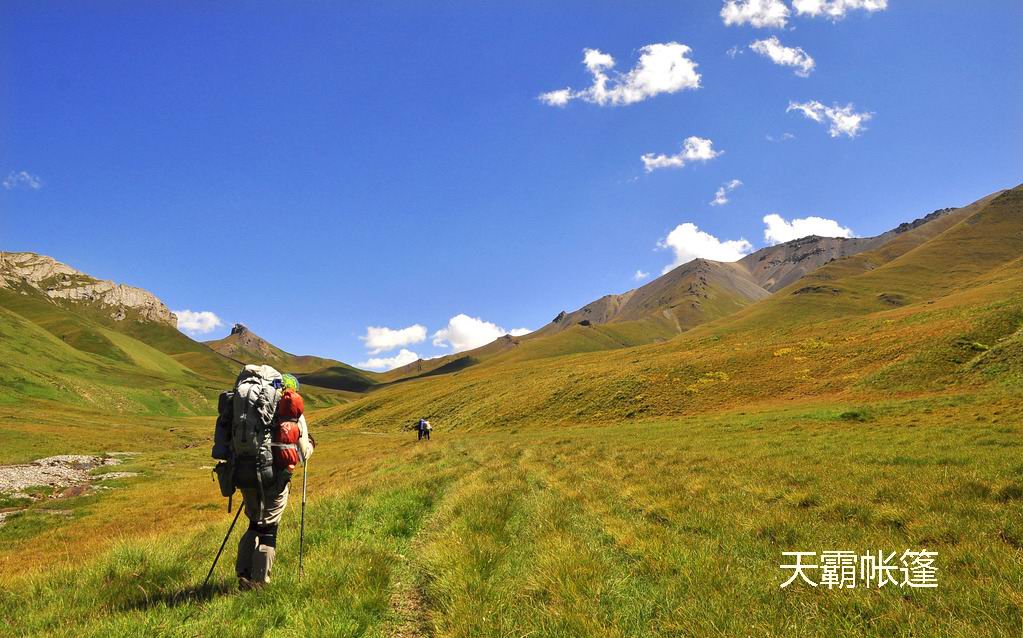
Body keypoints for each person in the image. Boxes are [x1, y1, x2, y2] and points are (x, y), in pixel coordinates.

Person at [235, 373, 314, 590]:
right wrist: (310, 444)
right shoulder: (290, 411)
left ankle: (243, 574)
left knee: (253, 523)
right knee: (268, 528)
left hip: (246, 472)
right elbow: (303, 452)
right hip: (274, 478)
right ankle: (259, 583)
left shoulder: (252, 407)